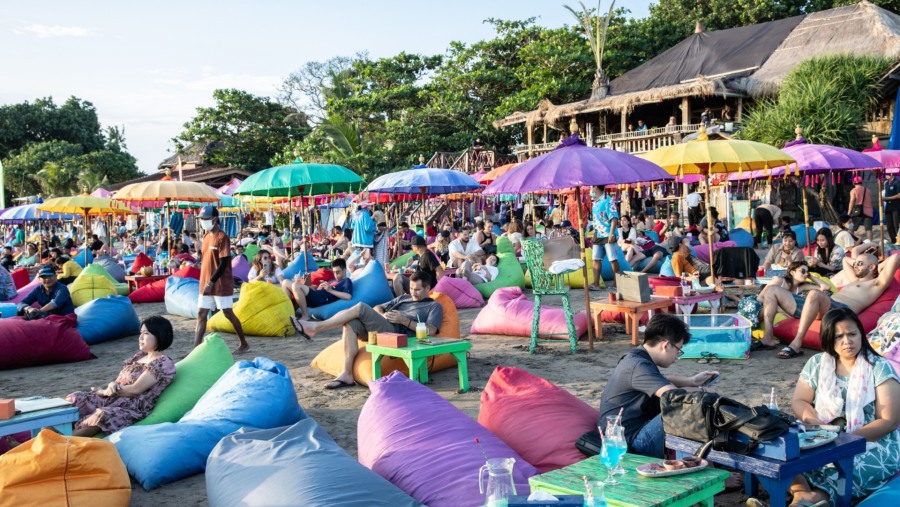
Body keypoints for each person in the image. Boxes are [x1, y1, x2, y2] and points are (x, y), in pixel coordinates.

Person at [772, 308, 900, 506]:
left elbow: (889, 420)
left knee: (843, 470)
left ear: (861, 334)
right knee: (784, 456)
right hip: (821, 437)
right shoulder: (817, 363)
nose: (847, 341)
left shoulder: (879, 367)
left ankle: (806, 498)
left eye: (852, 334)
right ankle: (803, 495)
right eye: (838, 336)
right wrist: (815, 424)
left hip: (871, 443)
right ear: (828, 339)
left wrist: (847, 441)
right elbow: (800, 400)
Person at [597, 313, 718, 458]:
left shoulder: (637, 357)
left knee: (692, 402)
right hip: (628, 444)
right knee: (688, 409)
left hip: (630, 432)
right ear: (666, 345)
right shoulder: (638, 365)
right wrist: (703, 391)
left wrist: (692, 381)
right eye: (678, 350)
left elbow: (662, 380)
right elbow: (675, 398)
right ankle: (707, 468)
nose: (677, 356)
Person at [298, 271, 442, 389]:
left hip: (398, 334)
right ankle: (347, 374)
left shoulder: (433, 306)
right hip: (384, 326)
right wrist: (383, 315)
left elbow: (430, 330)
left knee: (361, 307)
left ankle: (316, 327)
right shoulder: (404, 298)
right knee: (351, 323)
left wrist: (404, 320)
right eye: (411, 288)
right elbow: (378, 307)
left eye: (417, 289)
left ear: (427, 288)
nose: (413, 292)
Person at [760, 251, 900, 358]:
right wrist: (861, 262)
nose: (855, 266)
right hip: (821, 305)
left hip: (841, 310)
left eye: (860, 264)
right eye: (855, 263)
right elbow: (845, 260)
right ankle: (768, 338)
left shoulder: (877, 284)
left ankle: (796, 344)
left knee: (814, 293)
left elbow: (896, 257)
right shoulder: (853, 280)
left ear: (871, 267)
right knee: (772, 290)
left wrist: (878, 266)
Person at [65, 316, 177, 437]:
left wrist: (106, 391)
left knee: (103, 414)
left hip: (130, 406)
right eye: (140, 333)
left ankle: (65, 440)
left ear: (159, 335)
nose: (140, 338)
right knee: (77, 397)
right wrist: (109, 387)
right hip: (112, 397)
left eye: (146, 333)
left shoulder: (162, 363)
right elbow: (118, 381)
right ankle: (48, 431)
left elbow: (135, 390)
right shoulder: (139, 356)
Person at [194, 205, 248, 354]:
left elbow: (224, 262)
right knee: (201, 314)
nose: (203, 222)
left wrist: (211, 282)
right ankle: (196, 350)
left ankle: (243, 343)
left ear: (214, 219)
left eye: (205, 219)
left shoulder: (222, 237)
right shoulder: (205, 236)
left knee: (228, 313)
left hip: (220, 283)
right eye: (202, 219)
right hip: (205, 281)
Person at [284, 258, 352, 322]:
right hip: (316, 294)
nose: (335, 275)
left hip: (321, 299)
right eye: (334, 272)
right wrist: (320, 287)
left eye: (338, 272)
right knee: (285, 282)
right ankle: (287, 313)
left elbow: (348, 296)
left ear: (344, 270)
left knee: (295, 285)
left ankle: (305, 315)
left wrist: (330, 290)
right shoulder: (333, 280)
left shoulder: (346, 281)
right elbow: (316, 289)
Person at [590, 185, 622, 291]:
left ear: (595, 188)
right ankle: (596, 283)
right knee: (596, 258)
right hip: (598, 233)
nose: (591, 190)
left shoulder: (608, 200)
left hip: (608, 233)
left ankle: (617, 283)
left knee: (612, 259)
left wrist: (612, 233)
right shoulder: (595, 202)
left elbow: (614, 218)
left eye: (592, 188)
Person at [848, 176, 874, 242]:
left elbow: (852, 201)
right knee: (868, 229)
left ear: (854, 183)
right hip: (868, 211)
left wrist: (848, 213)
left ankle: (850, 242)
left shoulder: (853, 190)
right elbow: (870, 201)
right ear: (861, 182)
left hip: (857, 211)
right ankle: (870, 243)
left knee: (852, 228)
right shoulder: (868, 190)